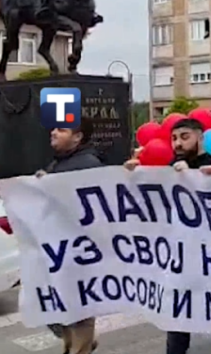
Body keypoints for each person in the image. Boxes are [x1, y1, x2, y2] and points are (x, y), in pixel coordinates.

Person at [125, 118, 211, 354]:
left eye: (185, 137)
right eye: (174, 138)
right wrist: (133, 178)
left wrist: (194, 178)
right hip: (179, 259)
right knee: (176, 323)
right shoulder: (167, 169)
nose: (178, 143)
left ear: (200, 138)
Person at [36, 120, 102, 354]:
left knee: (79, 308)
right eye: (54, 128)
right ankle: (75, 345)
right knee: (59, 307)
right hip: (59, 249)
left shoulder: (86, 164)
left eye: (61, 129)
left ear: (78, 137)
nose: (53, 132)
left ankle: (80, 347)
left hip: (78, 252)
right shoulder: (60, 163)